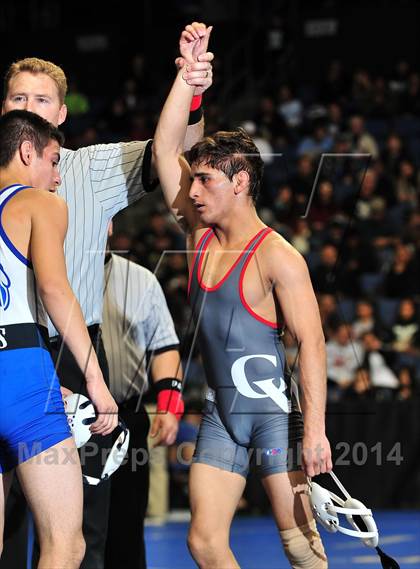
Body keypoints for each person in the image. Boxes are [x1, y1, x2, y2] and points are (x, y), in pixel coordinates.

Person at [0, 22, 213, 569]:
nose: (29, 104)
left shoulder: (88, 169)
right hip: (21, 355)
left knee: (81, 525)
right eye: (18, 96)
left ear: (62, 113)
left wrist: (190, 86)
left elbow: (174, 153)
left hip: (70, 352)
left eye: (42, 98)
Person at [153, 27, 332, 568]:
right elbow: (165, 148)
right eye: (195, 180)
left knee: (303, 550)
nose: (193, 190)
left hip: (275, 417)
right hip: (221, 417)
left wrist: (317, 432)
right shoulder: (197, 235)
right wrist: (189, 81)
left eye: (206, 180)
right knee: (203, 542)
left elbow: (313, 345)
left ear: (241, 183)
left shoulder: (278, 256)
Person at [0, 110, 117, 568]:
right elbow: (54, 290)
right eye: (52, 162)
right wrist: (96, 380)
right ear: (27, 151)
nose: (56, 176)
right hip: (21, 377)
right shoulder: (38, 203)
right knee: (66, 545)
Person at [101, 224, 183, 569]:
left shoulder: (140, 280)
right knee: (65, 531)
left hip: (127, 415)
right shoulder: (50, 272)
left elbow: (163, 344)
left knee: (127, 526)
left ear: (109, 226)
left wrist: (169, 405)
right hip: (67, 419)